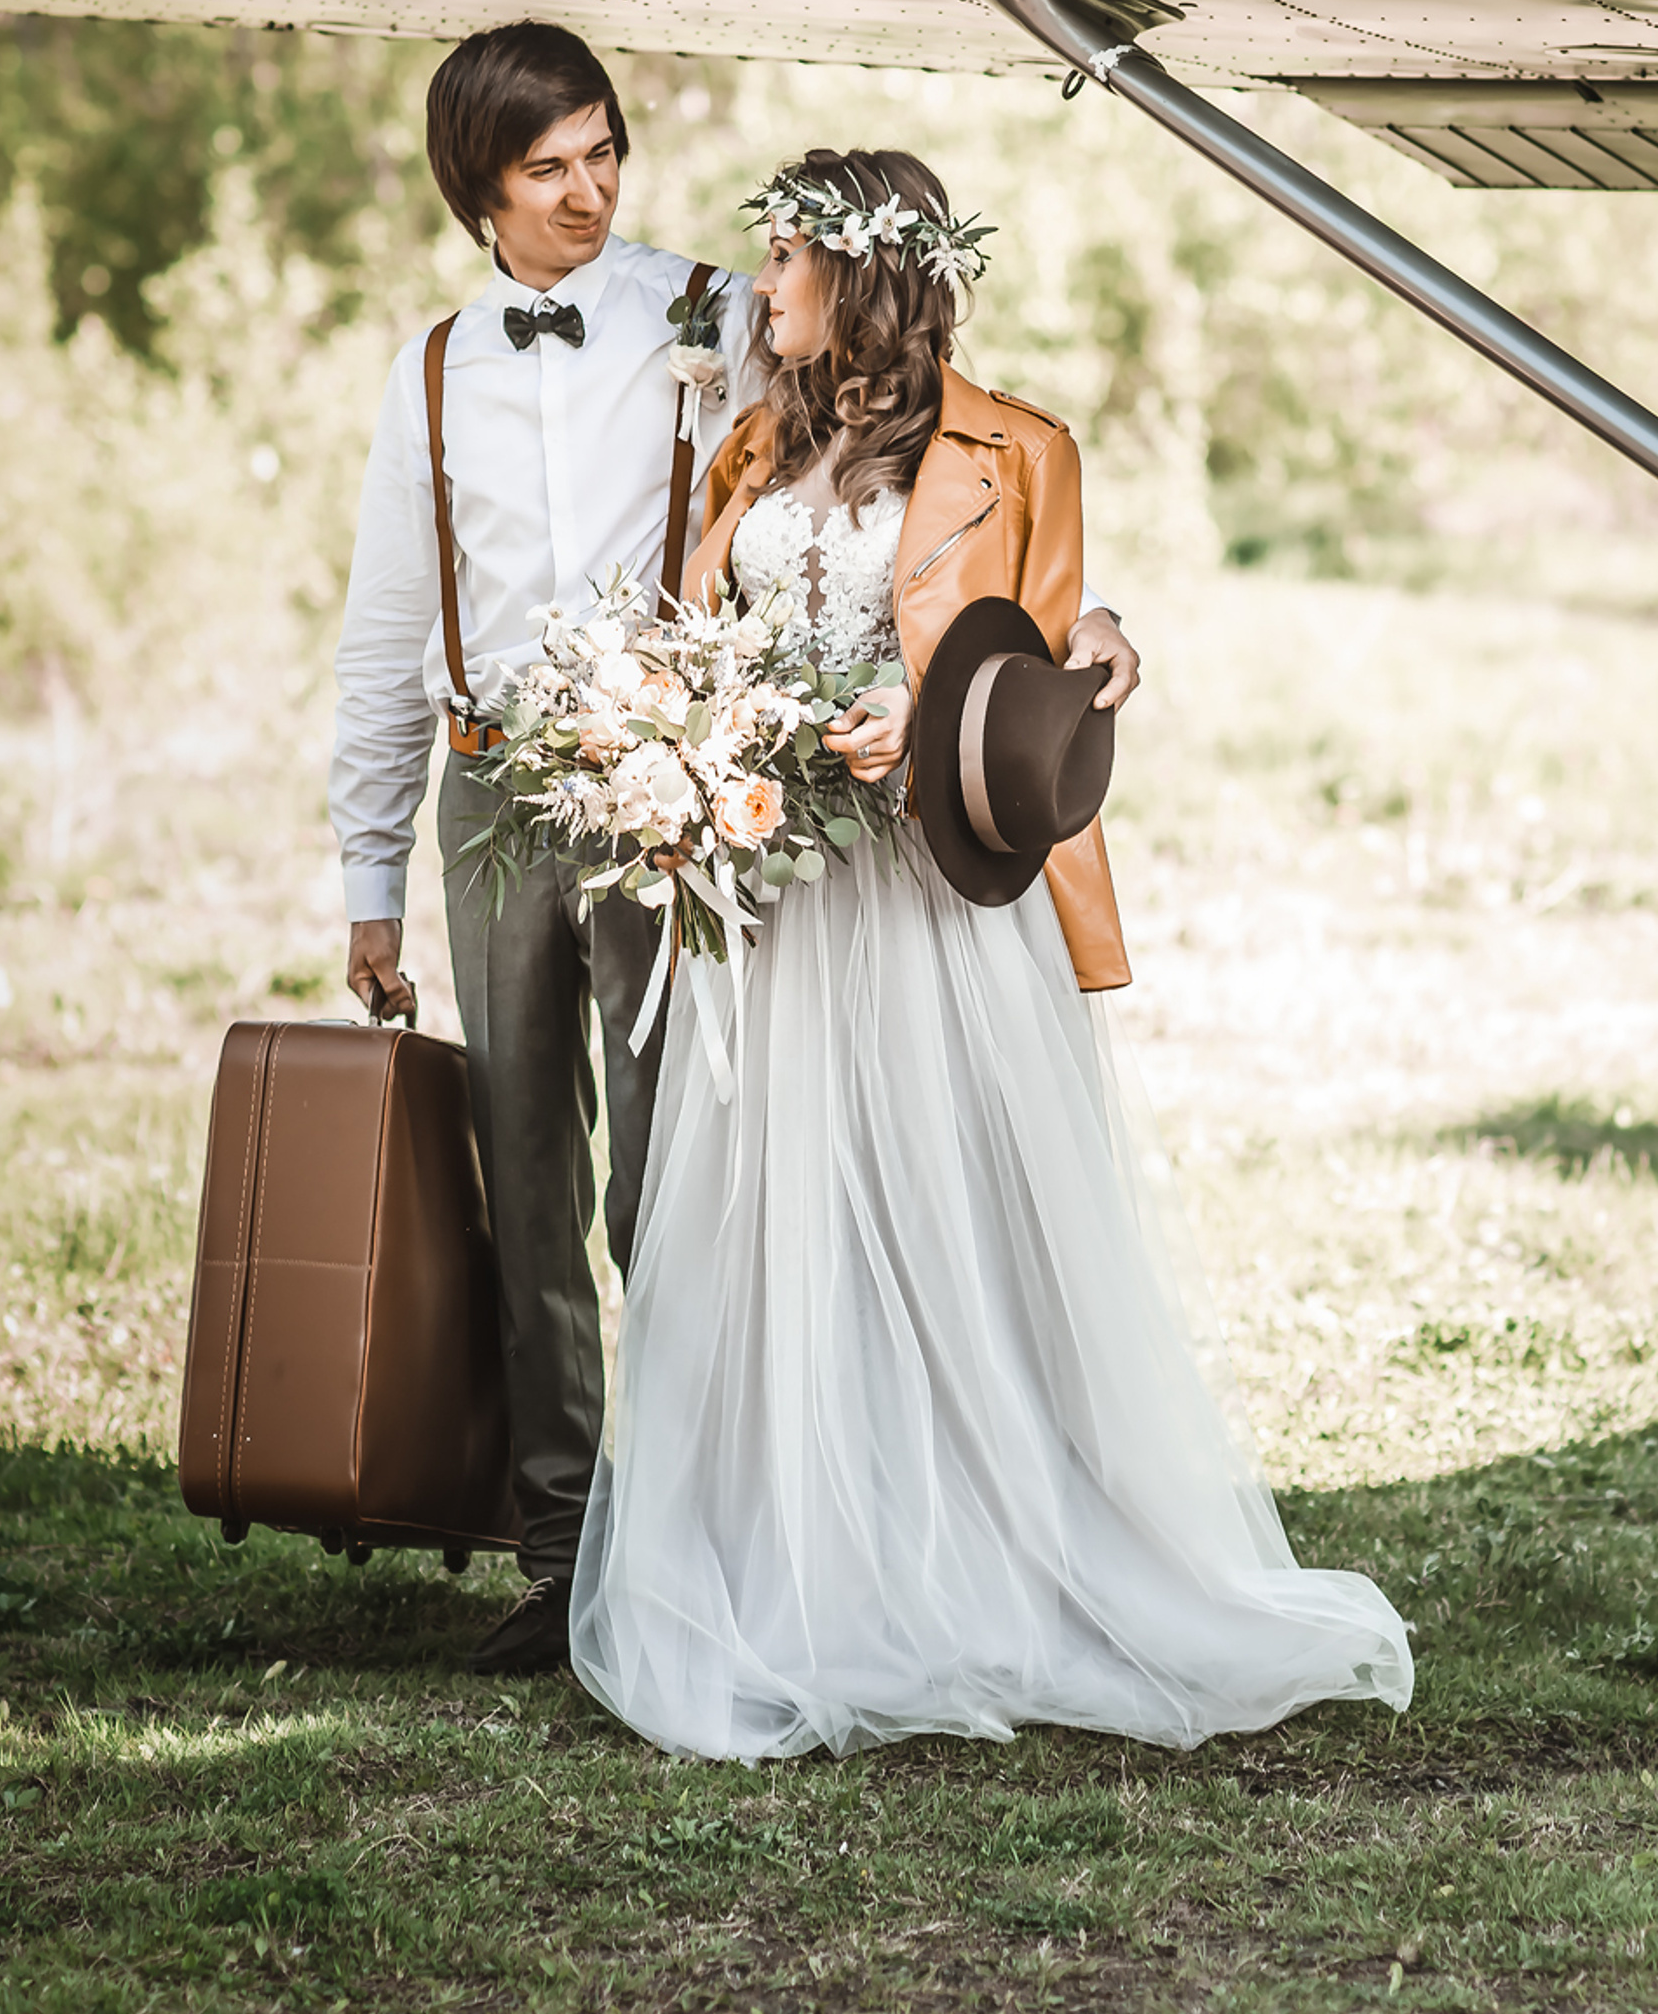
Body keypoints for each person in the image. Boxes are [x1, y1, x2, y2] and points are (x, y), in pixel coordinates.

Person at [568, 147, 1414, 1758]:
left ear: (867, 278)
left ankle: (990, 1561)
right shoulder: (746, 442)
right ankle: (796, 1572)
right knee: (780, 1227)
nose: (764, 289)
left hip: (928, 900)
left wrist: (1087, 655)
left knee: (955, 1216)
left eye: (789, 263)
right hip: (778, 902)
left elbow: (1049, 645)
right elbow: (701, 631)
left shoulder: (1020, 449)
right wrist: (684, 744)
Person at [329, 36, 1143, 1678]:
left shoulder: (713, 310)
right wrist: (366, 876)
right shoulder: (431, 375)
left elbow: (927, 483)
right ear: (477, 187)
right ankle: (562, 1556)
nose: (592, 189)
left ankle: (696, 1528)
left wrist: (1083, 630)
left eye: (603, 153)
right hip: (496, 800)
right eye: (549, 166)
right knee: (527, 1182)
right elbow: (381, 639)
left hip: (683, 801)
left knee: (684, 1183)